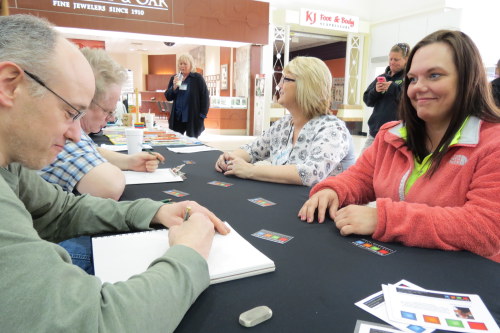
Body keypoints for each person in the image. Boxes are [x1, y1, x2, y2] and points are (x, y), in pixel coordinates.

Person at [0, 14, 229, 332]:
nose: (77, 135)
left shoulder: (8, 166)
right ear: (10, 85)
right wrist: (189, 253)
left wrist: (156, 210)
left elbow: (62, 210)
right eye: (69, 113)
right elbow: (96, 324)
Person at [298, 30, 500, 262]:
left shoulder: (493, 143)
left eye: (434, 75)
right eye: (412, 79)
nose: (417, 88)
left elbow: (485, 228)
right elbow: (360, 178)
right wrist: (332, 190)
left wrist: (383, 219)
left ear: (468, 79)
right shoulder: (390, 135)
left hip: (465, 282)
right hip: (399, 264)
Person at [39, 47, 165, 200]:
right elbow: (108, 186)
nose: (111, 119)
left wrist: (128, 161)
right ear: (83, 101)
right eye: (107, 111)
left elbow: (92, 151)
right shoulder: (58, 131)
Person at [215, 56, 355, 187]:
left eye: (286, 79)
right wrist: (231, 158)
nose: (279, 85)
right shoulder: (284, 124)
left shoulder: (332, 129)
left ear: (306, 86)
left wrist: (250, 170)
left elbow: (310, 173)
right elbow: (253, 150)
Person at [362, 43, 410, 150]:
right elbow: (367, 101)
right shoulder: (382, 77)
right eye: (391, 59)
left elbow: (409, 101)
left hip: (396, 135)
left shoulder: (409, 78)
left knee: (386, 166)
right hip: (375, 132)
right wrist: (376, 91)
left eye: (396, 59)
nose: (392, 62)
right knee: (362, 164)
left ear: (406, 59)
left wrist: (393, 88)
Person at [164, 53, 209, 138]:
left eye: (185, 64)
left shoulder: (197, 78)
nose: (182, 66)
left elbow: (205, 97)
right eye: (180, 64)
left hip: (192, 117)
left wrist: (202, 115)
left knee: (191, 143)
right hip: (177, 117)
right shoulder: (175, 77)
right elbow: (168, 97)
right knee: (175, 140)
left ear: (191, 65)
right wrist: (174, 87)